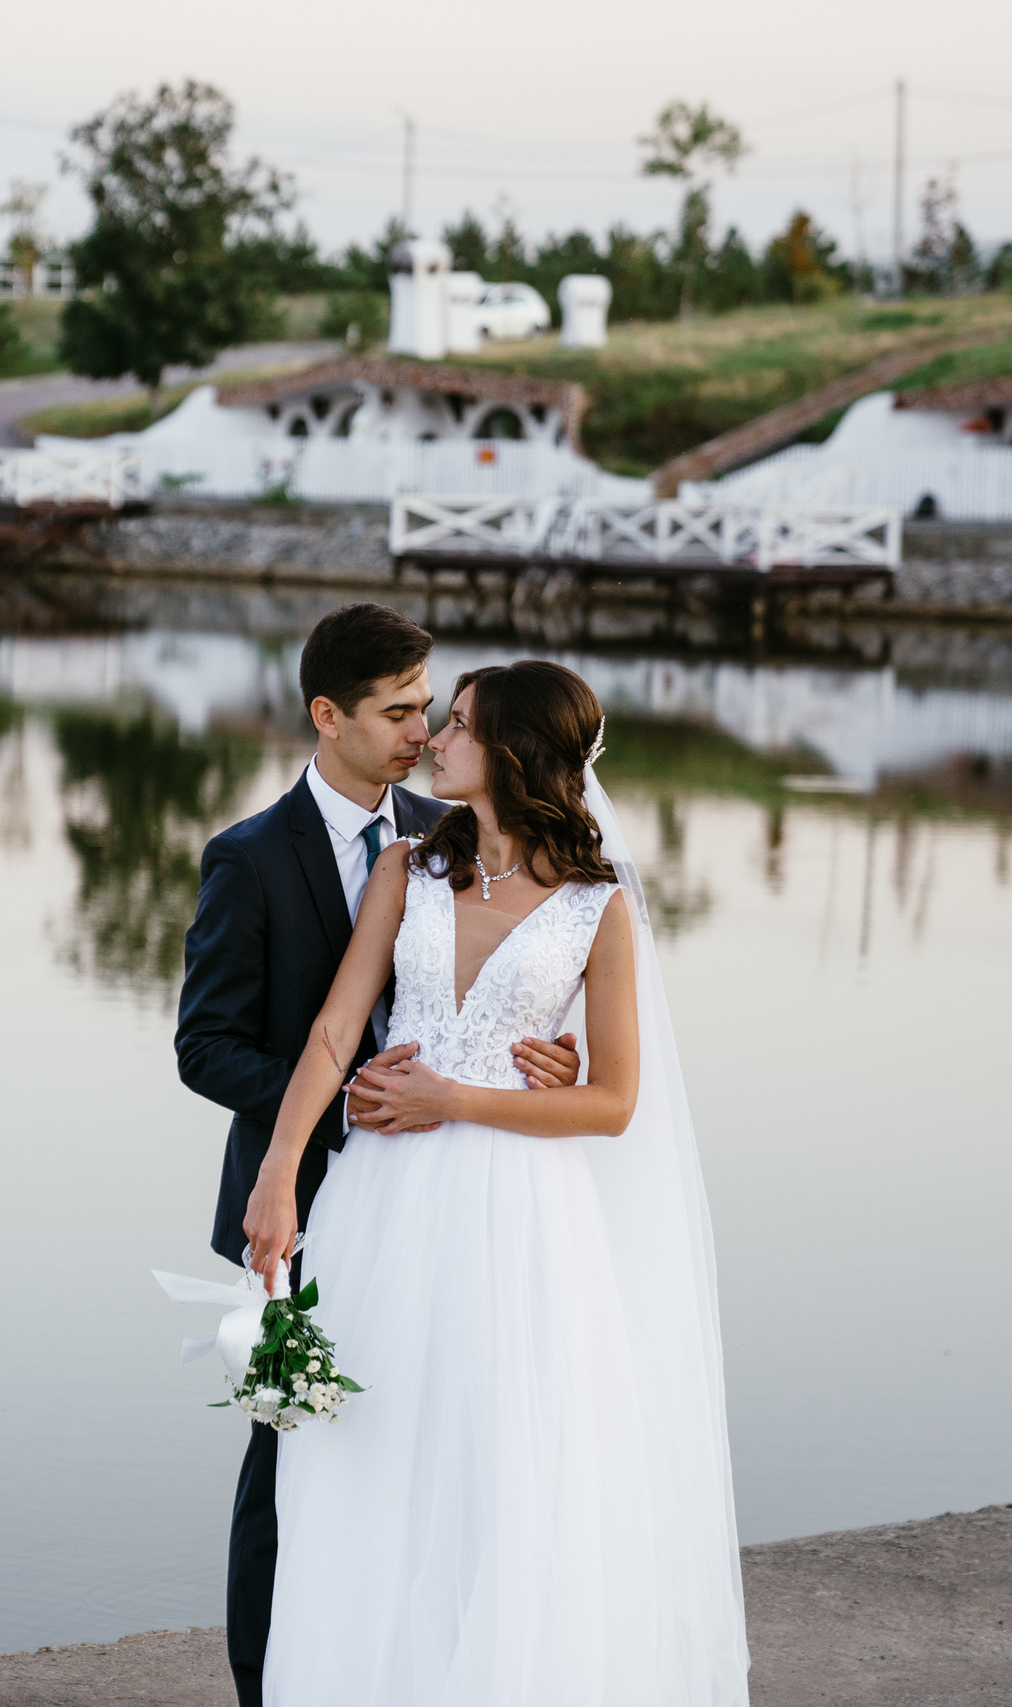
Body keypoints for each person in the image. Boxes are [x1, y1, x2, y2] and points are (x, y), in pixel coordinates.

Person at [243, 659, 748, 1706]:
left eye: (460, 724)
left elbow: (612, 1101)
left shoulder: (597, 908)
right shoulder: (408, 873)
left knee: (504, 1465)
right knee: (366, 1459)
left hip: (522, 1218)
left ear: (513, 750)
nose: (434, 737)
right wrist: (280, 1174)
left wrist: (451, 1100)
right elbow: (337, 1030)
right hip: (385, 1205)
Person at [175, 606, 585, 1707]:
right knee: (291, 1462)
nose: (419, 729)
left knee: (440, 1436)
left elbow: (517, 969)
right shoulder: (249, 859)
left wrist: (545, 1052)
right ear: (328, 716)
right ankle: (270, 1687)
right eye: (398, 712)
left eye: (427, 709)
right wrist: (353, 1107)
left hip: (455, 1197)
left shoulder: (447, 825)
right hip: (301, 1199)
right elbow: (204, 1049)